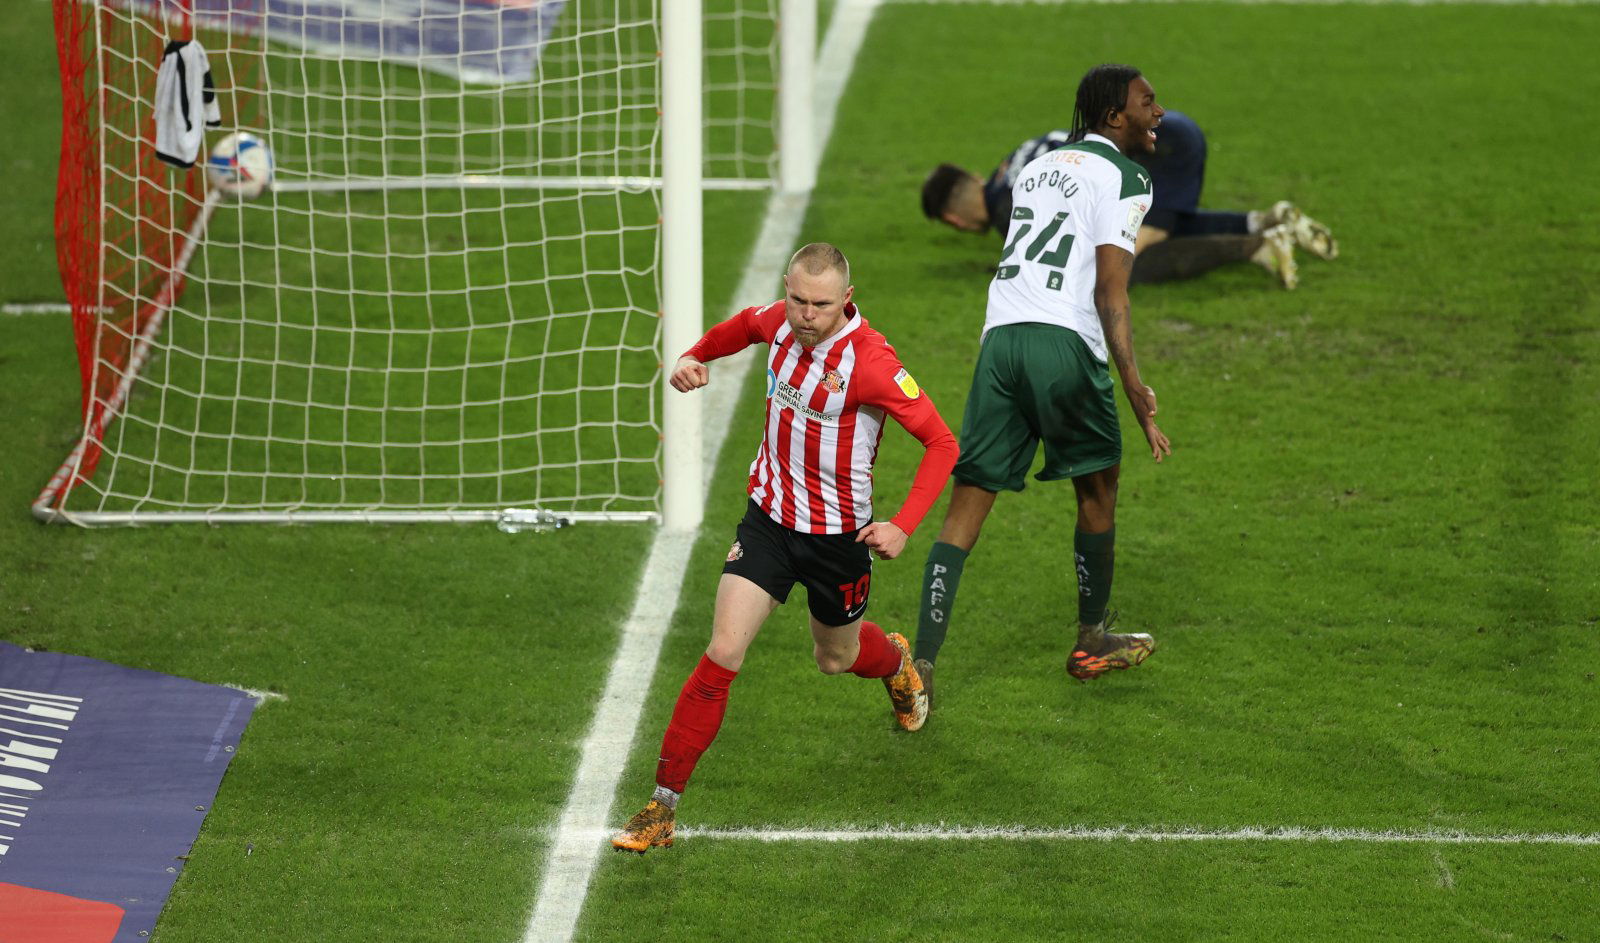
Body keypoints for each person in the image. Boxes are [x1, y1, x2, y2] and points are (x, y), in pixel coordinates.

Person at [611, 242, 959, 853]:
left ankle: (895, 662)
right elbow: (745, 325)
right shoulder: (780, 324)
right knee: (723, 650)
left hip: (836, 543)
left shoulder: (872, 364)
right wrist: (694, 355)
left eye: (820, 305)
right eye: (796, 299)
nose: (804, 315)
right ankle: (662, 807)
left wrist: (903, 523)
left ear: (845, 299)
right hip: (768, 524)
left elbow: (941, 443)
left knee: (835, 657)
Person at [909, 64, 1171, 713]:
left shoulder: (1037, 166)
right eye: (1147, 102)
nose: (1159, 113)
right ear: (1116, 116)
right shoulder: (1129, 176)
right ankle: (1091, 640)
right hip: (1062, 344)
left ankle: (920, 664)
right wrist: (1134, 385)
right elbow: (1111, 290)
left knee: (967, 503)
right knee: (1099, 486)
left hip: (999, 338)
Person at [920, 111, 1337, 289]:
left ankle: (1260, 248)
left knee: (1120, 266)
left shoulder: (1007, 209)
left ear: (954, 220)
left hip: (1162, 153)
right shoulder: (1011, 160)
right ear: (973, 177)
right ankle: (1265, 221)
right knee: (1146, 223)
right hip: (1165, 132)